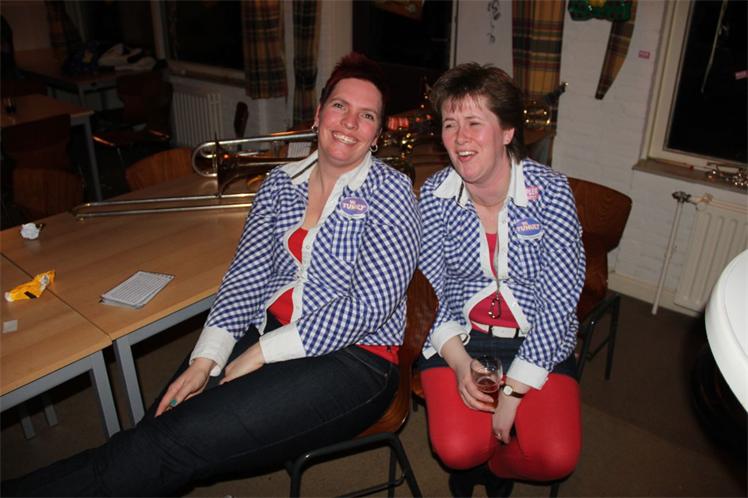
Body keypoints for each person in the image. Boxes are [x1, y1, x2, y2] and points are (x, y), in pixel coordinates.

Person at [2, 52, 422, 497]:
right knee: (160, 425)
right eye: (340, 105)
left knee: (170, 442)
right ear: (318, 114)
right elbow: (245, 276)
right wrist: (207, 358)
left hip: (356, 360)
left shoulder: (391, 192)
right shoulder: (279, 184)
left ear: (377, 134)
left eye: (367, 115)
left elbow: (369, 306)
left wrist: (261, 352)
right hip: (269, 327)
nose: (350, 122)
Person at [416, 63, 584, 498]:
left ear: (507, 131)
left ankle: (495, 467)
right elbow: (429, 293)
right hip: (461, 335)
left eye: (474, 122)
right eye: (450, 124)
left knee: (555, 458)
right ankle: (474, 460)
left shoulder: (551, 192)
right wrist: (458, 363)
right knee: (457, 449)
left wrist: (514, 390)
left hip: (536, 337)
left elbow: (559, 300)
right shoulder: (434, 196)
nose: (460, 138)